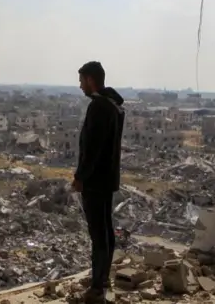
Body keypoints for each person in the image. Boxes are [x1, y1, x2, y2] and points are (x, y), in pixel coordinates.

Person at [72, 61, 125, 303]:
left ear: (91, 80)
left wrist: (80, 177)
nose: (80, 85)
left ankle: (96, 287)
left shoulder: (99, 108)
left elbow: (92, 148)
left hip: (94, 180)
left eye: (82, 80)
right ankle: (102, 278)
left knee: (98, 233)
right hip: (108, 178)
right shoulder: (114, 106)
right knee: (106, 229)